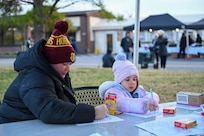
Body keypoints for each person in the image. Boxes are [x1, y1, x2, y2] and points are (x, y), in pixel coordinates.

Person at [0, 20, 108, 124]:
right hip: (12, 127)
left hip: (32, 126)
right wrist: (92, 113)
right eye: (64, 64)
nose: (68, 68)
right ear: (50, 61)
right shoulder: (34, 76)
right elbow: (49, 110)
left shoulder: (52, 72)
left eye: (70, 64)